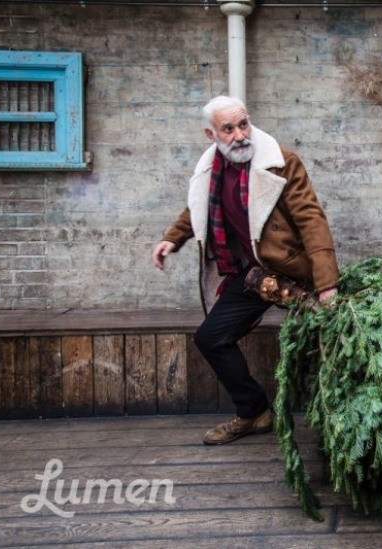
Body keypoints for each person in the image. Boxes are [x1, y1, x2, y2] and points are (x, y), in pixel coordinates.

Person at [152, 95, 339, 445]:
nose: (240, 135)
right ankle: (254, 412)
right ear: (212, 135)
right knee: (211, 338)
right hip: (253, 275)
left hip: (294, 270)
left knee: (332, 334)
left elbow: (312, 219)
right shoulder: (211, 170)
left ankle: (342, 418)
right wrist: (172, 239)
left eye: (243, 124)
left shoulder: (281, 162)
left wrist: (327, 283)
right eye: (228, 129)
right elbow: (197, 208)